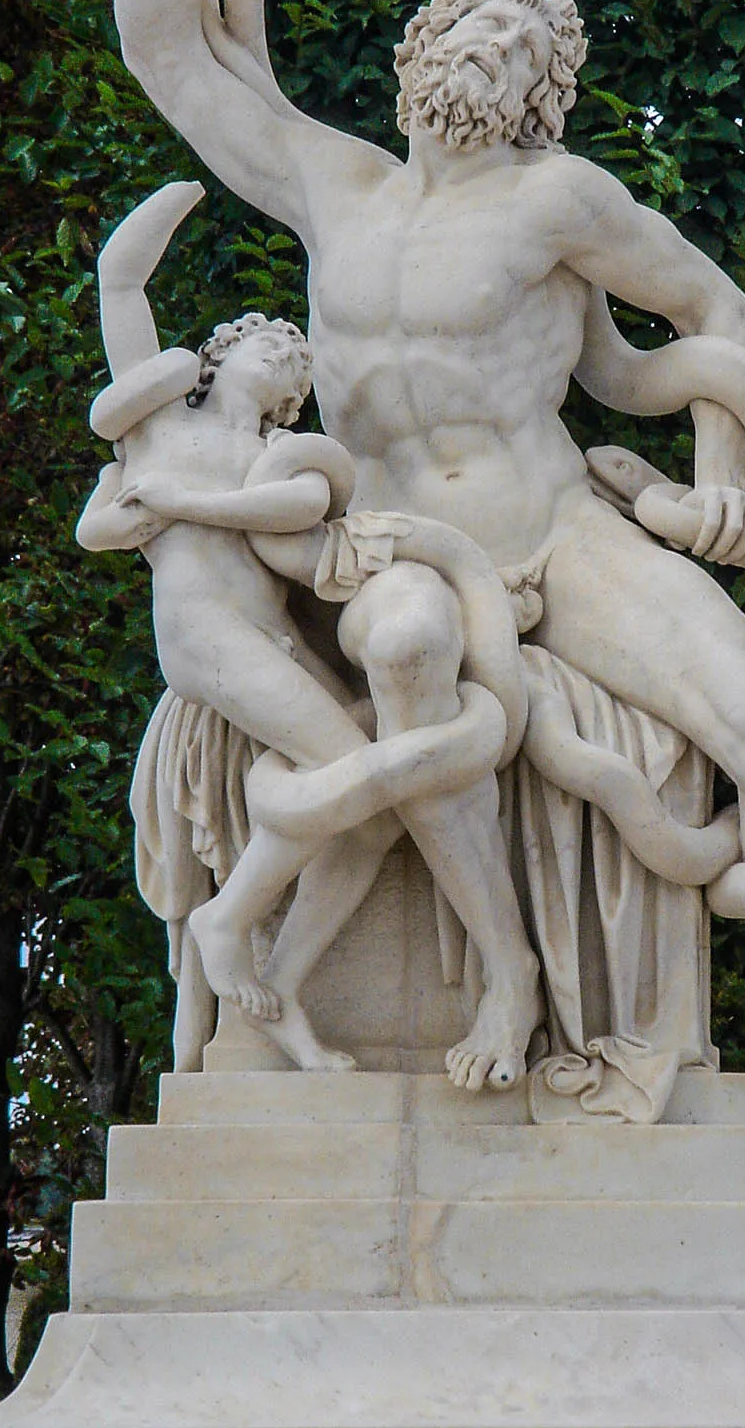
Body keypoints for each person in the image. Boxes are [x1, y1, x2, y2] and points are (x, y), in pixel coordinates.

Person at [97, 0, 745, 1201]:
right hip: (389, 549)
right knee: (412, 650)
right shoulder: (329, 181)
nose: (489, 49)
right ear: (423, 47)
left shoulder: (561, 200)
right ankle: (489, 979)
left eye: (517, 43)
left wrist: (719, 482)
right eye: (473, 25)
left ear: (543, 90)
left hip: (557, 527)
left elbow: (711, 316)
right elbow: (176, 55)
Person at [77, 178, 542, 1089]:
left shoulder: (274, 464)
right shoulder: (157, 425)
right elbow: (119, 285)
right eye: (268, 343)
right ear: (218, 353)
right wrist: (181, 197)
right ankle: (231, 926)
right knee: (362, 782)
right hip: (206, 636)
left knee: (363, 815)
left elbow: (313, 529)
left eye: (297, 363)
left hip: (270, 643)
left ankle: (276, 978)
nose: (285, 360)